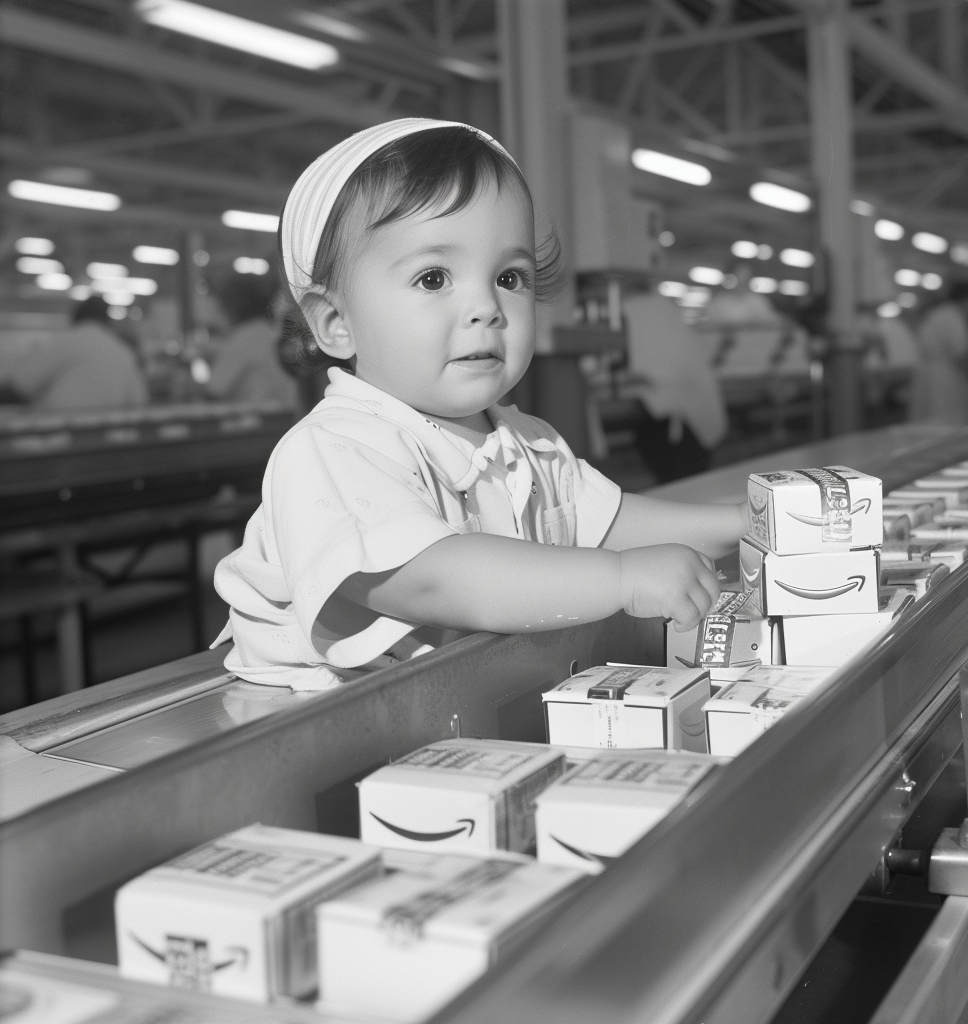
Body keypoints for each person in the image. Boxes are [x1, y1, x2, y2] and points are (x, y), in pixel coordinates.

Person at [212, 118, 749, 691]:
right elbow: (434, 578)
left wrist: (739, 524)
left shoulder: (524, 440)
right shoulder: (334, 450)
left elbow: (607, 522)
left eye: (510, 277)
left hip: (453, 700)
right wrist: (620, 579)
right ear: (336, 323)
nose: (486, 306)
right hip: (322, 723)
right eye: (433, 277)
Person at [622, 284, 727, 482]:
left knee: (680, 482)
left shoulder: (638, 312)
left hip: (680, 430)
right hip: (690, 422)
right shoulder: (664, 313)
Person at [0, 295, 147, 410]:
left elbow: (19, 388)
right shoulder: (123, 351)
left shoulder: (63, 342)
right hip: (106, 441)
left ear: (75, 317)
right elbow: (138, 403)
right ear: (107, 320)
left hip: (55, 438)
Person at [206, 274, 299, 410]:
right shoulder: (268, 332)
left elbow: (214, 390)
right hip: (284, 418)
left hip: (258, 423)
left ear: (230, 306)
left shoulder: (244, 338)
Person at [909, 280, 968, 425]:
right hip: (945, 376)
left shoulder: (937, 313)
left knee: (926, 420)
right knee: (945, 421)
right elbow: (960, 353)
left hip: (926, 372)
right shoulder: (954, 316)